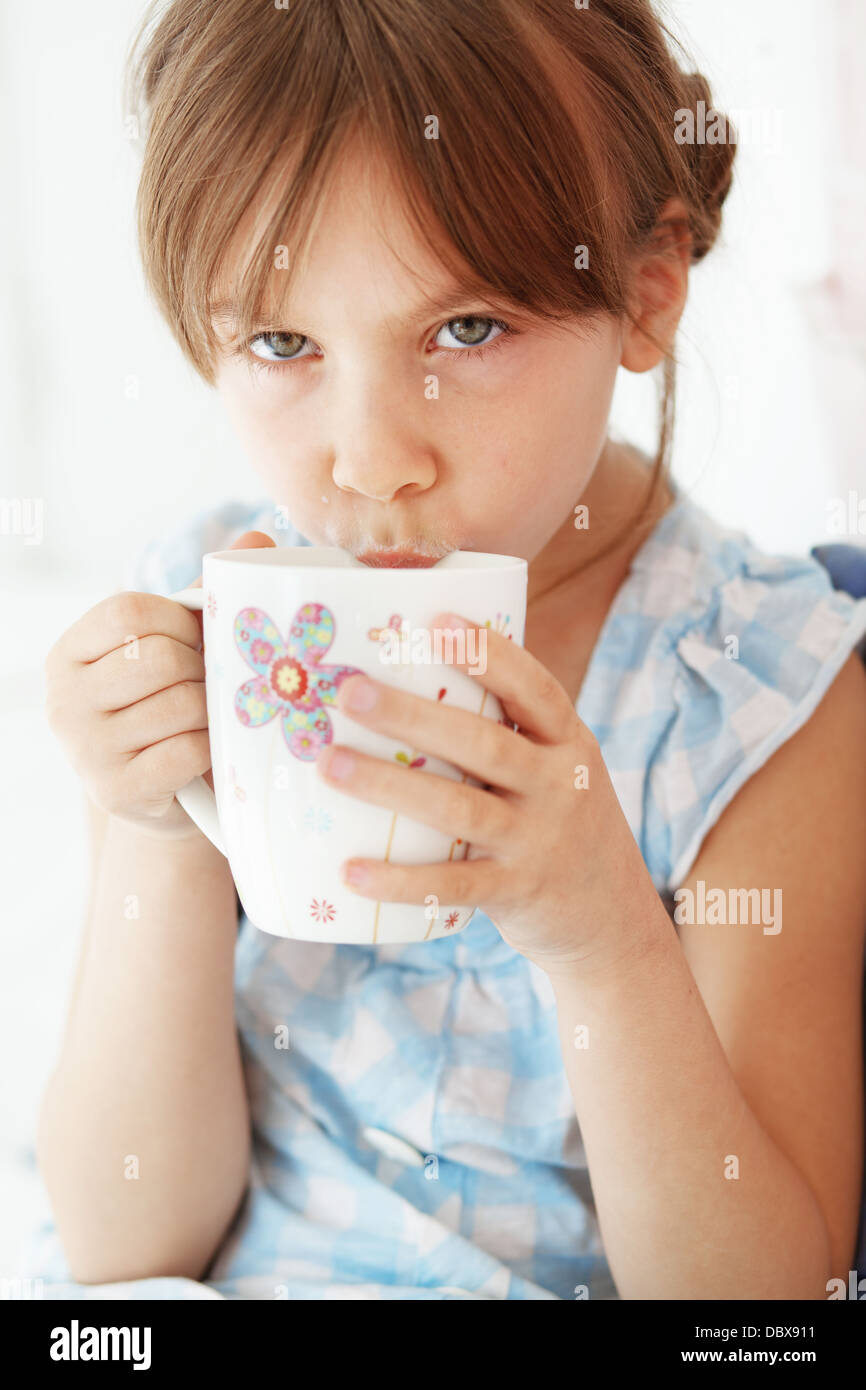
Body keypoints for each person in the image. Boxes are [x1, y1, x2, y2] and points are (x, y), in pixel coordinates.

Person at [28, 0, 866, 1299]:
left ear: (645, 292)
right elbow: (130, 1246)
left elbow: (755, 1309)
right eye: (279, 342)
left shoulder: (764, 700)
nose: (371, 459)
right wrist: (154, 830)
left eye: (464, 330)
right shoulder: (221, 620)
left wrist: (600, 936)